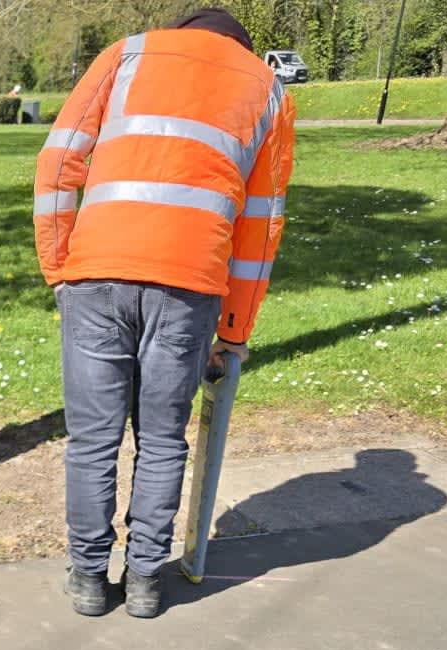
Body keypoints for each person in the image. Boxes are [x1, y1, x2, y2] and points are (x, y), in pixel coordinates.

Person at [33, 8, 296, 618]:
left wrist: (59, 265)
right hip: (191, 284)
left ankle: (90, 581)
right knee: (161, 439)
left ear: (181, 32)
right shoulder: (267, 89)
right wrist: (234, 329)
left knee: (93, 441)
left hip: (96, 273)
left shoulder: (128, 54)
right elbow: (262, 224)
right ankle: (148, 582)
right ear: (242, 47)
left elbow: (58, 160)